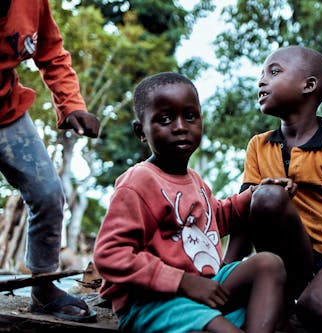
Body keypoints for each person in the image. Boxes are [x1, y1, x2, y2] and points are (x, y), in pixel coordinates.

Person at [93, 72, 291, 333]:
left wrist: (253, 196)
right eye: (164, 119)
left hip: (199, 289)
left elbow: (215, 219)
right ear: (141, 131)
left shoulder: (194, 180)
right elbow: (109, 255)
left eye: (190, 116)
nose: (180, 126)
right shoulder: (139, 181)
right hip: (153, 301)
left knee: (269, 264)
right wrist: (182, 282)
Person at [224, 45, 322, 332]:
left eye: (274, 71)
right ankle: (284, 292)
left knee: (315, 307)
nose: (261, 81)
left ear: (309, 85)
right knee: (264, 196)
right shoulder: (258, 146)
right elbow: (244, 218)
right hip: (285, 261)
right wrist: (223, 273)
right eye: (261, 73)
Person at [0, 0, 99, 322]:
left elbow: (51, 52)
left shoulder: (30, 3)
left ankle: (43, 289)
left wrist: (71, 105)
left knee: (47, 194)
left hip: (8, 113)